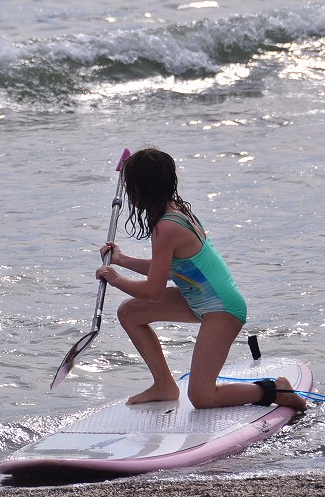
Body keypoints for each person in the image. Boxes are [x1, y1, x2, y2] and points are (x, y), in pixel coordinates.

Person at [95, 148, 306, 411]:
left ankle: (276, 391)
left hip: (222, 309)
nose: (128, 194)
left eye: (131, 187)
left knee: (203, 398)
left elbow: (153, 291)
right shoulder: (176, 212)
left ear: (142, 188)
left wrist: (114, 279)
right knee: (130, 312)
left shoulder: (166, 227)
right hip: (199, 298)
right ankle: (164, 385)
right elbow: (168, 268)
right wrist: (122, 260)